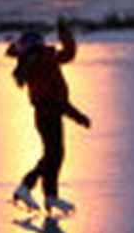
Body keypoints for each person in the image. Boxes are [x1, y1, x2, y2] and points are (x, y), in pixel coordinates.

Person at [7, 18, 92, 216]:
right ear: (37, 45)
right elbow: (68, 55)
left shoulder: (30, 62)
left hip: (46, 114)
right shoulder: (44, 59)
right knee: (53, 155)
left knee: (54, 154)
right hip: (50, 113)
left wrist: (75, 115)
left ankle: (49, 195)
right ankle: (27, 186)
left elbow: (55, 96)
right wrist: (64, 33)